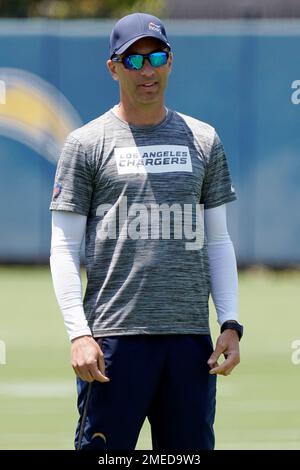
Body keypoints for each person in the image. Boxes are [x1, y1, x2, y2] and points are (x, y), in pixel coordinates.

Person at [50, 12, 243, 451]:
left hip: (190, 342)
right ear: (113, 67)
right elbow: (63, 248)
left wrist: (230, 323)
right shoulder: (86, 143)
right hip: (114, 343)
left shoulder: (203, 140)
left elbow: (218, 240)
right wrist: (79, 334)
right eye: (133, 61)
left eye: (156, 57)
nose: (147, 71)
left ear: (170, 61)